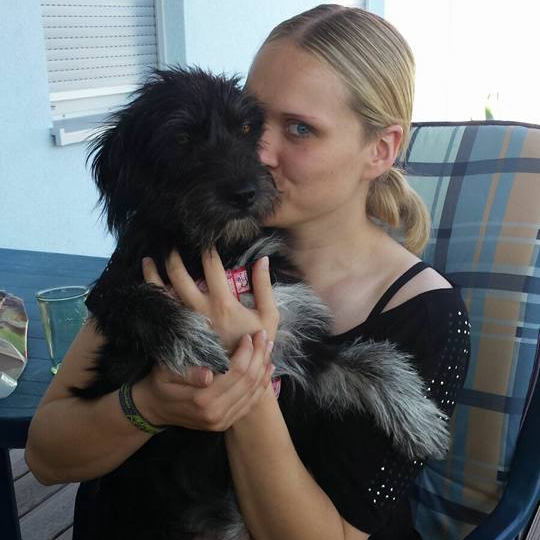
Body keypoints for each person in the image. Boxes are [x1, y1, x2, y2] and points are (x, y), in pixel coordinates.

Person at [25, 4, 470, 539]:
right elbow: (46, 456)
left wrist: (247, 377)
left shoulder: (426, 314)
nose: (258, 153)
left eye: (300, 129)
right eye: (253, 122)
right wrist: (149, 405)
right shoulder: (172, 246)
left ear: (381, 149)